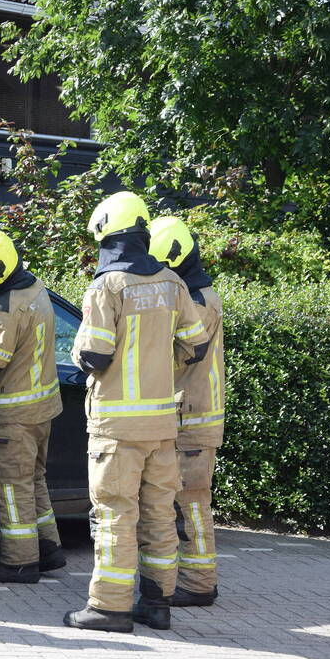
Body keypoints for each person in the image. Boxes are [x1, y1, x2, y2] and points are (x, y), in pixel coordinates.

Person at [64, 192, 209, 633]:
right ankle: (157, 604)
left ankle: (109, 608)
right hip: (162, 424)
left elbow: (94, 355)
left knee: (115, 514)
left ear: (106, 233)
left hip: (116, 426)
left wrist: (77, 351)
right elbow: (196, 344)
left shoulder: (107, 286)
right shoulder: (174, 284)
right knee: (160, 514)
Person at [0, 231, 66, 583]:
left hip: (12, 415)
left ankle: (20, 562)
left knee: (11, 486)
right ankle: (48, 549)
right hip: (42, 407)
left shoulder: (4, 308)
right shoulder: (34, 288)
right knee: (34, 481)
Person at [148, 216, 225, 607]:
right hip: (188, 414)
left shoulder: (196, 302)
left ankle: (199, 584)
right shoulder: (197, 292)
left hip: (193, 420)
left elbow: (176, 357)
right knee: (182, 502)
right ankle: (192, 576)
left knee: (191, 502)